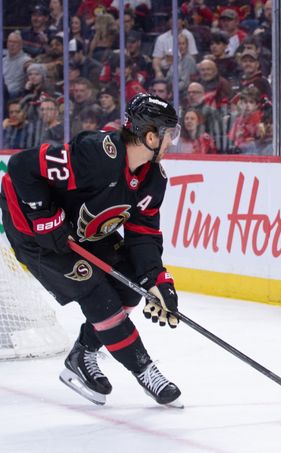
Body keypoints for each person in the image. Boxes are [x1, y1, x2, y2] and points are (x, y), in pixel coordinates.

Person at [0, 93, 182, 406]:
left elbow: (143, 234)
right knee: (98, 296)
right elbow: (22, 166)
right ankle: (145, 371)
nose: (172, 143)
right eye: (170, 136)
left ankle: (81, 355)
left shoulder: (153, 180)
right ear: (151, 136)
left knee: (131, 285)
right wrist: (44, 217)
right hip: (34, 233)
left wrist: (156, 277)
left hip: (83, 230)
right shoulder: (98, 155)